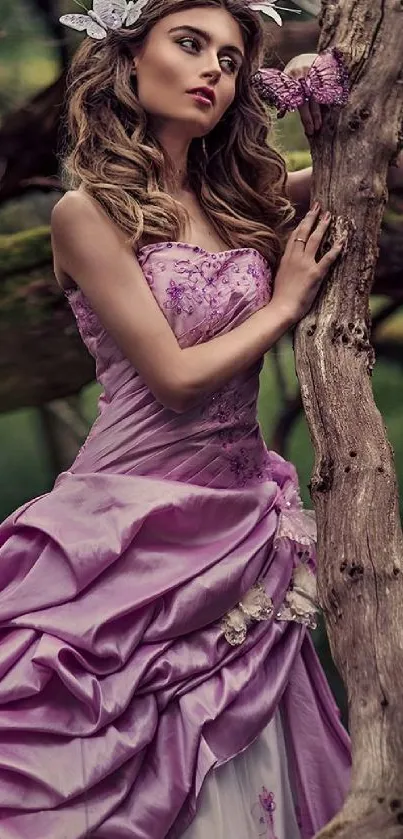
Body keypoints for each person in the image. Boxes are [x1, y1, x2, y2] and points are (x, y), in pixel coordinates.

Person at [0, 1, 353, 837]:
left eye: (232, 62)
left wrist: (329, 104)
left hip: (237, 524)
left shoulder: (242, 201)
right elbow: (176, 377)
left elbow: (365, 177)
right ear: (128, 60)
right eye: (190, 45)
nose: (213, 72)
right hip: (128, 523)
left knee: (237, 746)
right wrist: (288, 301)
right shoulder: (85, 214)